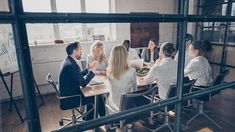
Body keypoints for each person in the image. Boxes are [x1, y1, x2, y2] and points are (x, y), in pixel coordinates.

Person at [58, 42, 105, 120]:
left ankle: (89, 119)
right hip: (72, 98)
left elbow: (78, 75)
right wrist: (93, 70)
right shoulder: (72, 65)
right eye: (80, 50)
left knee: (92, 95)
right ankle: (106, 121)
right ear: (74, 52)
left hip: (67, 95)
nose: (81, 52)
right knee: (97, 97)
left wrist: (88, 69)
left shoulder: (68, 61)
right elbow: (83, 83)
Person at [106, 45, 137, 114]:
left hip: (112, 109)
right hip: (127, 108)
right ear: (125, 56)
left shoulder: (108, 71)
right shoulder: (132, 71)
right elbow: (135, 91)